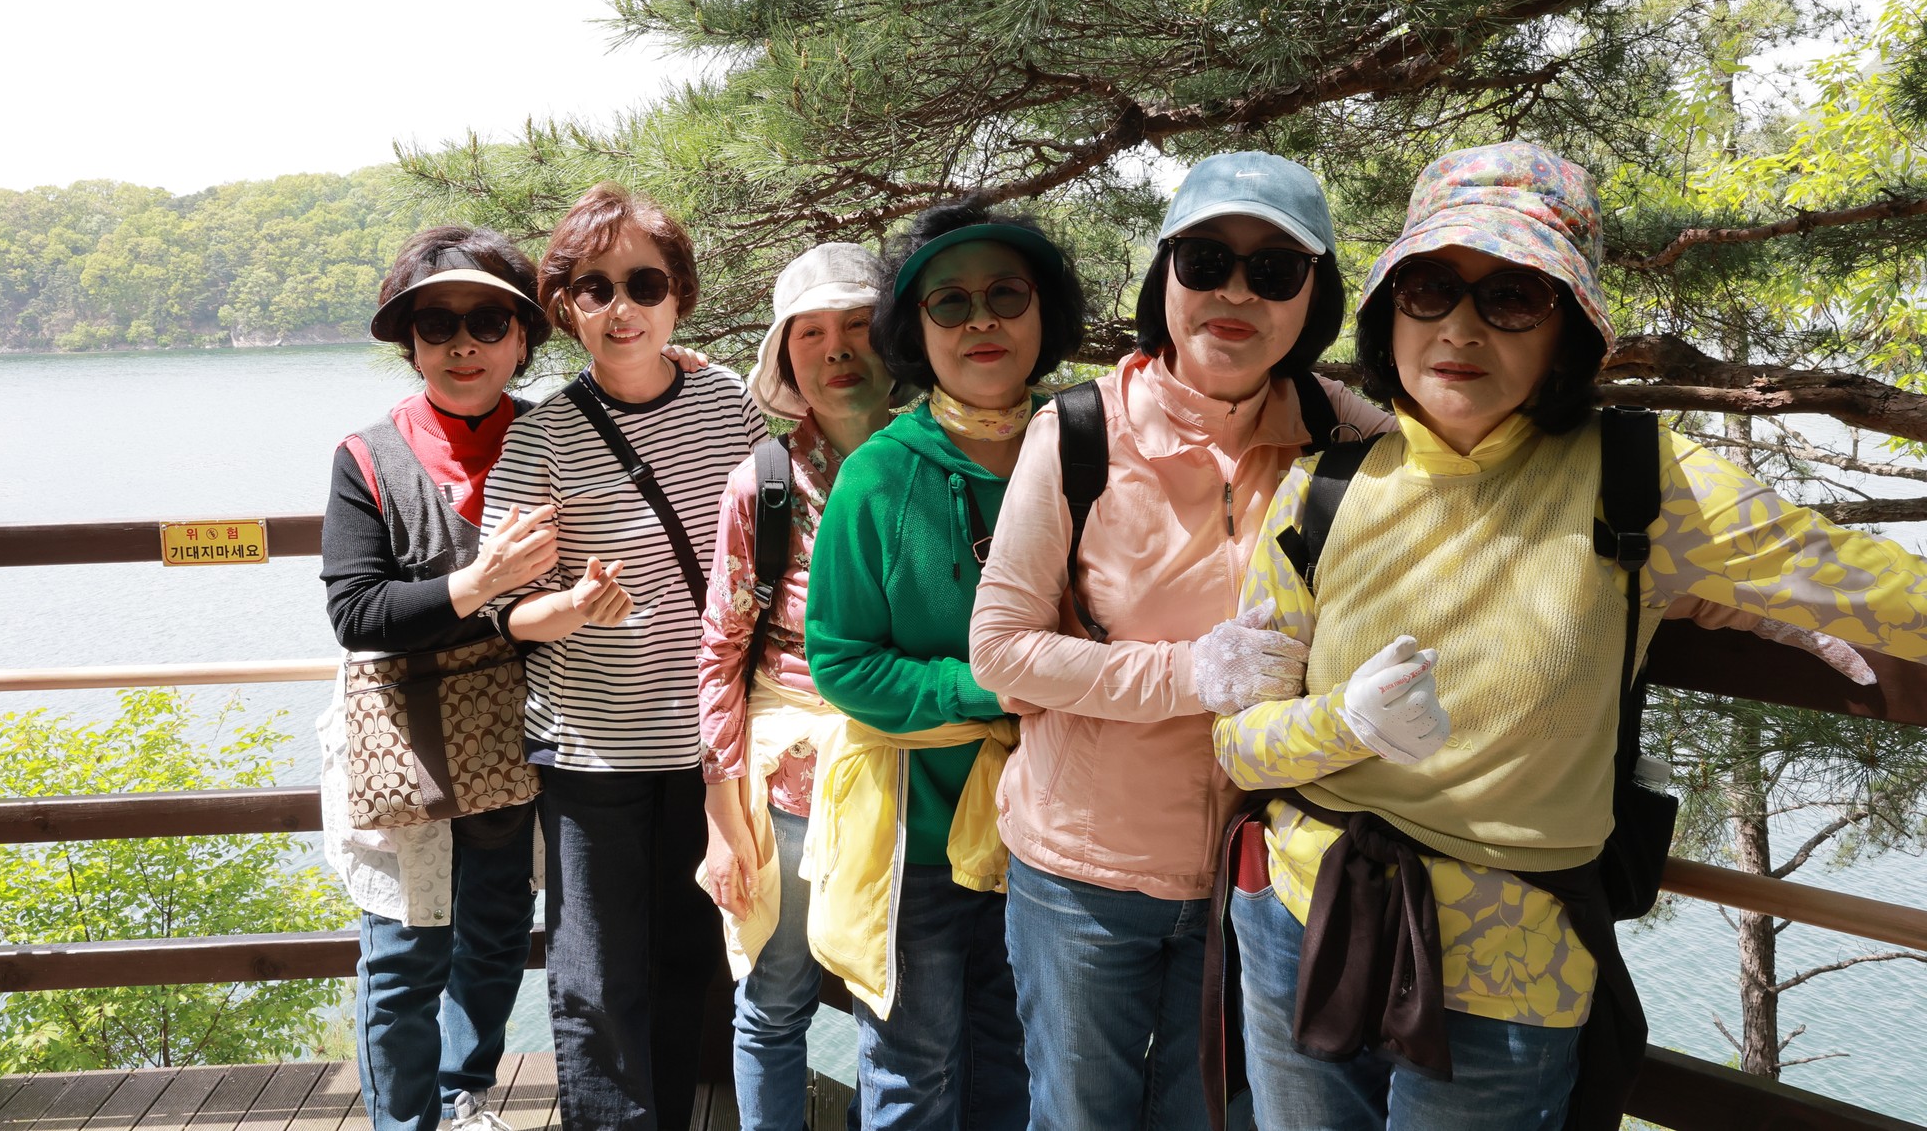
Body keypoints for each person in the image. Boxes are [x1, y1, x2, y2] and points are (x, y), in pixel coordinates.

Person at [1208, 142, 1927, 1131]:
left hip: (1511, 965)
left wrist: (1762, 605)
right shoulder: (1320, 489)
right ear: (1389, 312)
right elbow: (1238, 745)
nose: (1460, 326)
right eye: (1429, 288)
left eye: (1512, 296)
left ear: (1568, 328)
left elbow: (1881, 590)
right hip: (1297, 912)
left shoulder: (1645, 480)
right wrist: (1345, 724)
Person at [968, 152, 1393, 1131]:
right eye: (1205, 261)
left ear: (1313, 297)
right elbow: (999, 650)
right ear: (1163, 276)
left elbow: (1485, 484)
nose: (1235, 293)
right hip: (1081, 874)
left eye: (1273, 271)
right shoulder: (1078, 433)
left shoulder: (1348, 439)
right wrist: (1192, 673)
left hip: (1259, 878)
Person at [481, 183, 766, 1131]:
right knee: (597, 978)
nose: (622, 307)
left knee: (688, 958)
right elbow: (504, 610)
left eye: (645, 284)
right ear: (566, 306)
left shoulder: (727, 403)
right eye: (595, 288)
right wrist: (566, 606)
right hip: (593, 752)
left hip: (709, 750)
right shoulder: (544, 434)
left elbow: (784, 531)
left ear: (678, 295)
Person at [805, 196, 1089, 1131]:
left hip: (1060, 825)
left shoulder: (1092, 447)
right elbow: (841, 661)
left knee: (1020, 1060)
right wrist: (992, 687)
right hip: (916, 833)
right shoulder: (880, 476)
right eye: (950, 302)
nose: (981, 321)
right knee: (913, 1072)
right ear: (915, 328)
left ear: (1044, 311)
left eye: (1006, 294)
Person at [317, 225, 557, 1131]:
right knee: (404, 956)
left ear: (522, 338)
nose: (463, 344)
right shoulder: (367, 456)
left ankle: (464, 1093)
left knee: (496, 936)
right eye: (438, 323)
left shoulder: (557, 438)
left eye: (489, 321)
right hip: (406, 743)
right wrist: (480, 583)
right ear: (410, 343)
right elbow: (356, 613)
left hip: (525, 741)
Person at [695, 242, 896, 1131]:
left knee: (896, 1001)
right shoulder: (763, 486)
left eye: (858, 324)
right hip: (788, 784)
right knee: (774, 999)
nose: (837, 347)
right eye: (810, 332)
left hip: (910, 774)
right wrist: (720, 816)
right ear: (787, 356)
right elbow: (720, 651)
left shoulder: (943, 462)